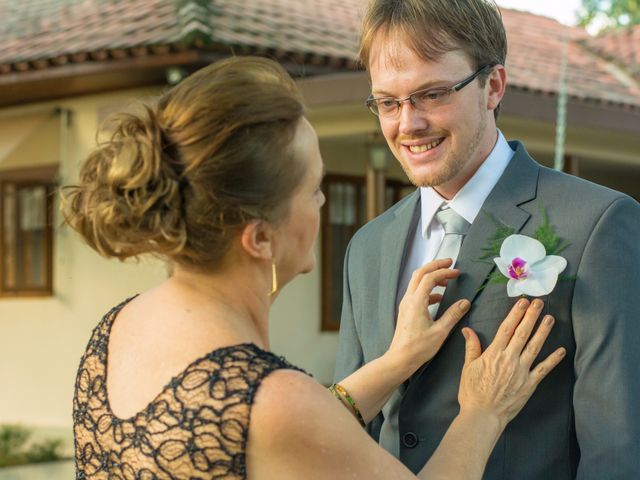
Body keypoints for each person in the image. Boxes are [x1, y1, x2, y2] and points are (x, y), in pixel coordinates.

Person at [67, 56, 564, 480]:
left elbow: (286, 438)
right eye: (313, 188)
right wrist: (483, 411)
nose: (323, 203)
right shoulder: (273, 400)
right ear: (261, 237)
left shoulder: (114, 331)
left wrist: (397, 361)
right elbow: (287, 422)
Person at [334, 0, 640, 479]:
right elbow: (350, 440)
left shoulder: (598, 224)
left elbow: (617, 450)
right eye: (388, 103)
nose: (407, 124)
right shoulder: (367, 247)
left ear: (493, 85)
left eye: (432, 94)